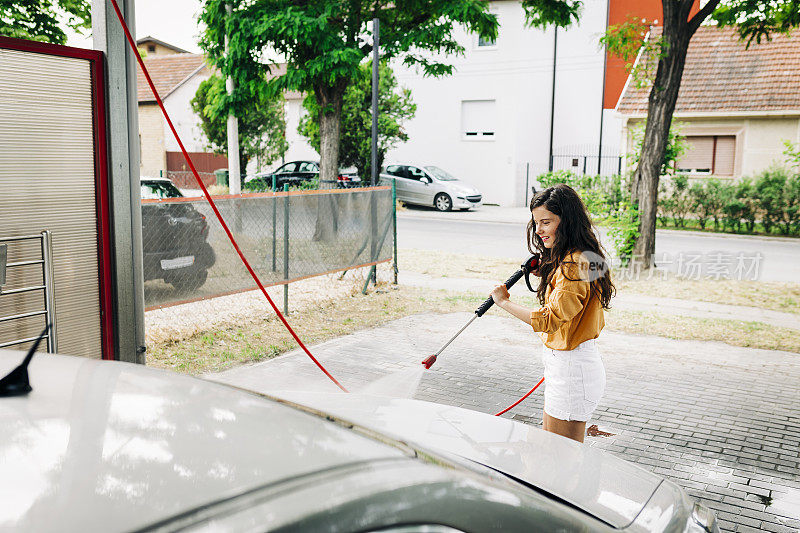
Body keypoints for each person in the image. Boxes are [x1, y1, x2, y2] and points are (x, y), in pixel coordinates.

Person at [490, 184, 615, 443]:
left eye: (546, 222)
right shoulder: (580, 258)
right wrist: (548, 269)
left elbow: (549, 319)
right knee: (552, 455)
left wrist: (503, 303)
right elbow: (575, 293)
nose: (539, 230)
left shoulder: (573, 265)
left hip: (572, 372)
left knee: (559, 464)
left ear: (566, 221)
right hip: (567, 367)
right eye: (536, 223)